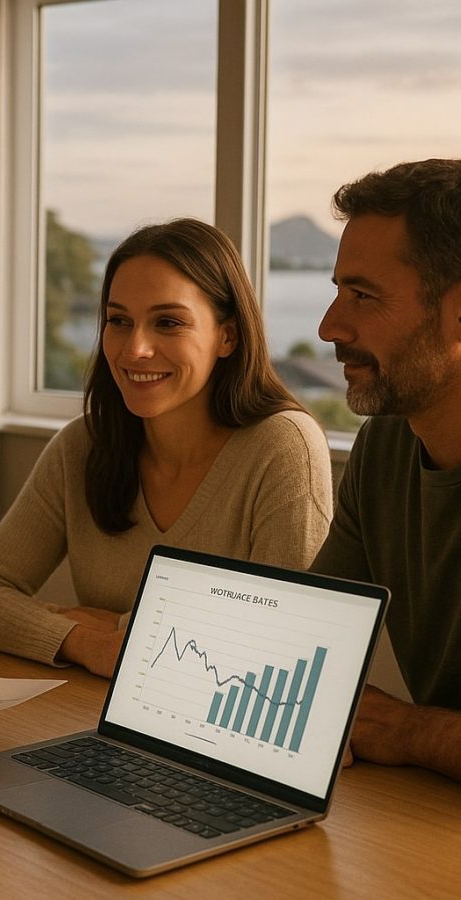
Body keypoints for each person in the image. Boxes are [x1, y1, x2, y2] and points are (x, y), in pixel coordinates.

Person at [0, 219, 332, 677]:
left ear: (227, 336)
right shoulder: (82, 445)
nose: (134, 349)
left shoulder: (284, 446)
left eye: (167, 322)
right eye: (119, 321)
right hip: (86, 707)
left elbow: (280, 636)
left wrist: (118, 627)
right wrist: (87, 642)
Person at [312, 158, 461, 781]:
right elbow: (308, 637)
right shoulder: (385, 446)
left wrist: (409, 731)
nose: (329, 327)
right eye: (338, 290)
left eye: (363, 296)